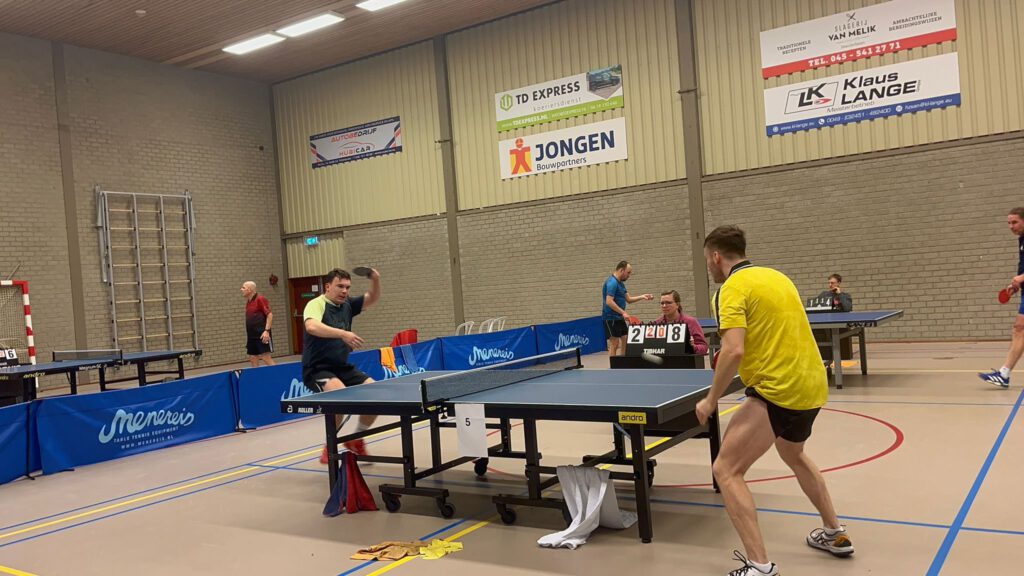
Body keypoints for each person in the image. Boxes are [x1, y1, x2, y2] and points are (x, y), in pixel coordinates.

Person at [695, 225, 852, 575]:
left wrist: (711, 399)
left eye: (707, 259)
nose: (709, 265)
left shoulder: (730, 288)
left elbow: (733, 350)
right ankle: (834, 532)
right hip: (812, 383)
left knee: (726, 470)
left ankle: (760, 566)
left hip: (777, 389)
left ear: (716, 257)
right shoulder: (778, 277)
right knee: (793, 453)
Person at [303, 267, 381, 462]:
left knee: (375, 392)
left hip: (341, 366)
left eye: (347, 287)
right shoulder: (316, 304)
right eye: (340, 286)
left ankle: (357, 439)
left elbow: (372, 298)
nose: (344, 291)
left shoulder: (347, 305)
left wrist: (375, 280)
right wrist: (343, 334)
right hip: (318, 368)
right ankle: (330, 444)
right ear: (328, 287)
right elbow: (311, 326)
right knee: (340, 395)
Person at [979, 207, 1024, 388]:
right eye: (1009, 223)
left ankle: (1004, 373)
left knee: (1020, 329)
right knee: (1019, 329)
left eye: (1014, 222)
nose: (1011, 226)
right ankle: (1004, 373)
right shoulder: (1022, 239)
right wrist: (1016, 284)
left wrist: (1021, 278)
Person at [601, 260, 652, 356]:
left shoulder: (621, 284)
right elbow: (609, 301)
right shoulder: (612, 282)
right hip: (610, 318)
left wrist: (642, 296)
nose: (629, 275)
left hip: (619, 317)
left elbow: (628, 299)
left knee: (625, 339)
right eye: (628, 273)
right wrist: (623, 312)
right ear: (621, 270)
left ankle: (623, 362)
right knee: (614, 343)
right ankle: (614, 364)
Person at [651, 290, 708, 355]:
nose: (664, 306)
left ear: (677, 305)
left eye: (668, 303)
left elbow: (704, 347)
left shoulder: (691, 322)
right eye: (662, 303)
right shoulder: (656, 324)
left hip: (685, 360)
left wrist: (693, 347)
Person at [240, 281, 275, 367]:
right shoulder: (249, 302)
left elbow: (270, 315)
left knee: (265, 358)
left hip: (262, 334)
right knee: (253, 358)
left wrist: (266, 331)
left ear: (249, 290)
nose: (241, 289)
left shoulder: (260, 299)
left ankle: (278, 374)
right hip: (251, 336)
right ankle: (256, 375)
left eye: (243, 288)